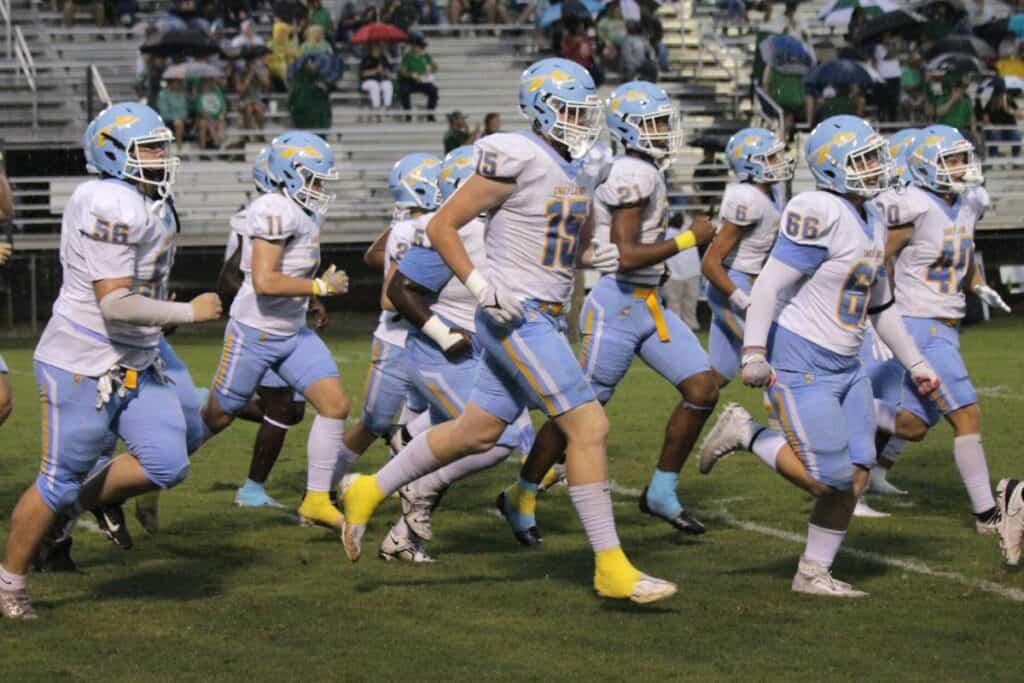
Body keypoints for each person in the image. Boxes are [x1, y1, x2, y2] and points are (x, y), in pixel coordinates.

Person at [339, 58, 677, 604]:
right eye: (569, 109)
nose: (579, 120)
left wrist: (597, 253)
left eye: (584, 110)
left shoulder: (578, 165)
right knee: (588, 427)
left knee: (475, 432)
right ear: (542, 111)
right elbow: (442, 223)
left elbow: (564, 240)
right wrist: (477, 284)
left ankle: (367, 489)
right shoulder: (517, 152)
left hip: (541, 313)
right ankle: (611, 566)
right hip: (515, 314)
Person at [698, 115, 942, 597]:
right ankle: (746, 433)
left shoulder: (871, 216)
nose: (876, 166)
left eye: (875, 156)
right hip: (802, 359)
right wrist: (751, 351)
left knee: (855, 474)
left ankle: (812, 573)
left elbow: (883, 306)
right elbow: (769, 283)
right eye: (864, 159)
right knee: (825, 480)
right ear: (833, 168)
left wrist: (917, 364)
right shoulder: (817, 209)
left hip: (848, 365)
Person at [0, 102, 224, 620]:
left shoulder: (147, 199)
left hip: (136, 357)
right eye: (150, 148)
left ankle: (75, 506)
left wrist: (163, 316)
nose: (162, 157)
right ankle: (11, 583)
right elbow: (114, 302)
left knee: (168, 462)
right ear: (113, 153)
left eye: (163, 146)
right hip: (84, 361)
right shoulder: (109, 201)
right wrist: (187, 311)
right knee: (54, 479)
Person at [497, 81, 718, 543]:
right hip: (617, 304)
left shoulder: (641, 169)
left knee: (703, 387)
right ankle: (522, 493)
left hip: (647, 304)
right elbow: (627, 254)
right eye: (655, 123)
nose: (664, 131)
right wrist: (690, 238)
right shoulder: (632, 173)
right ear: (630, 129)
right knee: (577, 412)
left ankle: (661, 490)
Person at [862, 125, 1023, 564]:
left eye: (961, 158)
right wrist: (881, 313)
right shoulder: (913, 205)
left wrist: (977, 283)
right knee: (967, 415)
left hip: (946, 324)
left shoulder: (966, 203)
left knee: (913, 426)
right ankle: (987, 513)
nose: (961, 167)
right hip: (920, 325)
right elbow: (879, 258)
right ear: (924, 166)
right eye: (950, 160)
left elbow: (962, 252)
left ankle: (850, 403)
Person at [375, 146, 526, 561]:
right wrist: (443, 333)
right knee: (499, 437)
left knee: (448, 446)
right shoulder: (455, 230)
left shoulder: (495, 228)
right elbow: (398, 292)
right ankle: (414, 485)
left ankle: (402, 539)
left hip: (478, 355)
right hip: (441, 356)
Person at [200, 131, 352, 531]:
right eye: (314, 178)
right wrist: (320, 287)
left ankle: (316, 500)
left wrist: (312, 297)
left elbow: (291, 272)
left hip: (292, 331)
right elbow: (265, 281)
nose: (319, 188)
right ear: (290, 174)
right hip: (256, 332)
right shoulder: (272, 207)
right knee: (217, 418)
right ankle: (153, 470)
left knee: (334, 405)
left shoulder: (302, 212)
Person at [332, 154, 436, 499]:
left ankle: (398, 487)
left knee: (432, 419)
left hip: (429, 343)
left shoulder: (434, 224)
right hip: (398, 339)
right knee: (375, 424)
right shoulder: (409, 230)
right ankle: (321, 489)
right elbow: (391, 297)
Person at [219, 148, 316, 508]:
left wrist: (313, 300)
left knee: (292, 411)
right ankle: (252, 488)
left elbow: (292, 269)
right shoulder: (259, 217)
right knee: (281, 409)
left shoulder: (294, 214)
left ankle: (214, 403)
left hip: (287, 321)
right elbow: (232, 276)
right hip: (261, 325)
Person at [701, 127, 790, 388]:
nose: (779, 162)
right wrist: (742, 300)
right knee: (776, 361)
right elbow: (710, 262)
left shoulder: (771, 192)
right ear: (752, 165)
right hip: (734, 284)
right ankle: (787, 428)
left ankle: (695, 418)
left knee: (714, 379)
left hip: (748, 282)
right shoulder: (746, 198)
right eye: (771, 158)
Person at [663, 211, 703, 331]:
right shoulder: (667, 233)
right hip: (673, 275)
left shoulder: (690, 231)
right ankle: (676, 328)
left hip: (692, 273)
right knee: (674, 304)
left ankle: (691, 326)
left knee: (691, 303)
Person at [929, 74, 980, 147]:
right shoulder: (943, 99)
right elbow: (939, 113)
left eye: (962, 89)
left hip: (960, 131)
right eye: (957, 89)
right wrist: (952, 100)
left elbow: (972, 121)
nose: (960, 91)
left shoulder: (967, 102)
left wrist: (975, 134)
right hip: (945, 131)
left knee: (969, 137)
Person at [398, 36, 439, 119]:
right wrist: (412, 75)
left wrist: (430, 70)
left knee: (434, 91)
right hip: (410, 81)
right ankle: (408, 113)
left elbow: (435, 68)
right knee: (404, 91)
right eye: (414, 46)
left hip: (423, 81)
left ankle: (430, 113)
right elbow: (402, 71)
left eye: (418, 46)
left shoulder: (426, 56)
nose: (415, 48)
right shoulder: (407, 57)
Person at [288, 56, 333, 130]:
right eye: (312, 64)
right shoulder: (299, 79)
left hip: (319, 114)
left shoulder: (320, 77)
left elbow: (328, 90)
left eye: (316, 64)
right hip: (303, 113)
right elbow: (294, 97)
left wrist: (325, 88)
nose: (315, 66)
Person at [235, 56, 271, 135]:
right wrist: (249, 77)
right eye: (249, 63)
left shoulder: (259, 73)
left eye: (253, 63)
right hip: (243, 100)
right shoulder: (239, 73)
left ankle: (261, 134)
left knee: (258, 109)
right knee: (249, 109)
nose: (251, 65)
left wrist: (259, 76)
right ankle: (248, 134)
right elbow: (240, 90)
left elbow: (266, 87)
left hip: (257, 100)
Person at [156, 75, 191, 151]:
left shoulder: (183, 94)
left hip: (184, 118)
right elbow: (164, 113)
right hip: (169, 120)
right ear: (170, 83)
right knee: (178, 123)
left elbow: (186, 108)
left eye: (179, 82)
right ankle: (179, 149)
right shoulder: (163, 95)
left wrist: (185, 116)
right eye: (176, 82)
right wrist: (179, 117)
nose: (178, 84)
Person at [360, 43, 394, 111]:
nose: (376, 50)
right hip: (368, 81)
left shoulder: (383, 58)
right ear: (371, 49)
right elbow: (363, 74)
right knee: (374, 85)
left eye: (378, 48)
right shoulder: (366, 59)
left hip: (381, 80)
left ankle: (387, 106)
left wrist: (383, 71)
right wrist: (376, 71)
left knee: (388, 84)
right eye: (374, 48)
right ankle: (376, 108)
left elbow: (390, 73)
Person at [195, 77, 227, 150]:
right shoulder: (200, 95)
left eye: (210, 82)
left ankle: (219, 144)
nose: (208, 84)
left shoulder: (217, 93)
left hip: (217, 118)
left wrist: (222, 114)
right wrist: (209, 118)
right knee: (207, 123)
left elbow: (223, 105)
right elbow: (199, 110)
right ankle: (214, 145)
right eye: (206, 82)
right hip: (206, 118)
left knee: (221, 122)